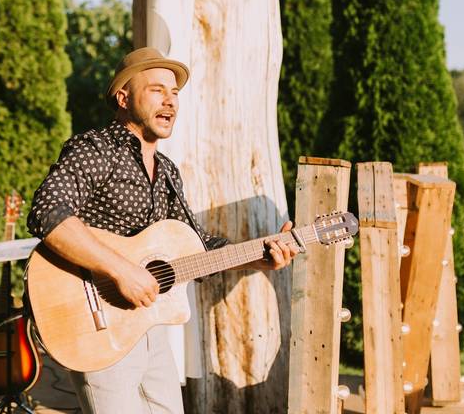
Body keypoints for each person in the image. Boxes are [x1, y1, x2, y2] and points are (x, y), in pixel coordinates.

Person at [27, 46, 296, 414]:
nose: (170, 101)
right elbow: (47, 212)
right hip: (99, 324)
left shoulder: (167, 171)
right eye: (156, 90)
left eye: (175, 94)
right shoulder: (96, 149)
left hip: (148, 324)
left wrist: (257, 258)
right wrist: (122, 271)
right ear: (123, 97)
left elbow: (197, 246)